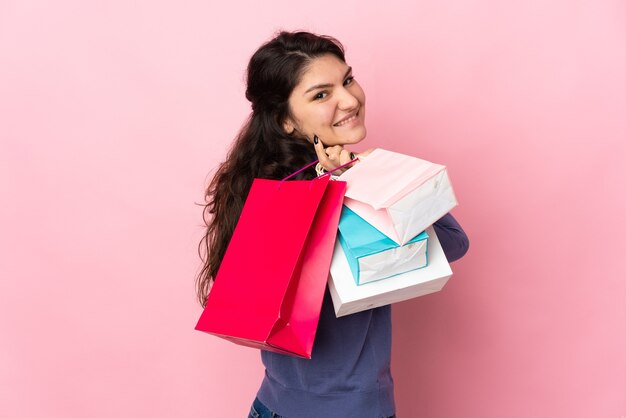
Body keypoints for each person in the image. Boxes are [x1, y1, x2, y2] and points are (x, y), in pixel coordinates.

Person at [196, 31, 469, 418]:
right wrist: (362, 179)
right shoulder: (299, 196)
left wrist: (357, 175)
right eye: (321, 95)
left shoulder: (264, 189)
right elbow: (453, 243)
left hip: (271, 406)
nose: (349, 99)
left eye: (347, 80)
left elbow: (455, 243)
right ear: (285, 121)